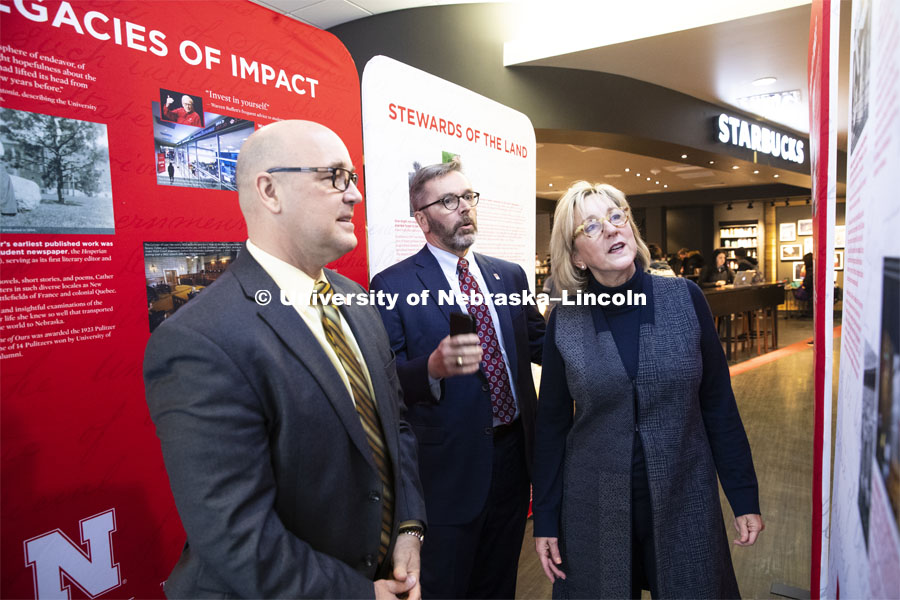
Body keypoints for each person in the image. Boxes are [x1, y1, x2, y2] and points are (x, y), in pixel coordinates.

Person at [143, 120, 426, 599]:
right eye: (334, 176)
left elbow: (395, 427)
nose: (353, 195)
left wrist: (409, 528)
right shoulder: (201, 341)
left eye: (353, 178)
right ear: (270, 191)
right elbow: (237, 536)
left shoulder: (356, 299)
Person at [532, 181, 763, 599]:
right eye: (591, 227)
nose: (611, 230)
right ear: (576, 256)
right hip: (595, 504)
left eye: (617, 216)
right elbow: (550, 426)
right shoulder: (565, 320)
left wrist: (744, 495)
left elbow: (718, 405)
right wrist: (546, 518)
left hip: (684, 493)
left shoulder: (684, 298)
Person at [370, 158, 545, 599]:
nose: (465, 207)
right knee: (448, 587)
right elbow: (383, 384)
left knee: (499, 582)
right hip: (446, 475)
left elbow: (542, 344)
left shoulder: (509, 275)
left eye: (468, 197)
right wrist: (431, 368)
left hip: (513, 458)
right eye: (449, 200)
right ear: (422, 218)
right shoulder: (391, 285)